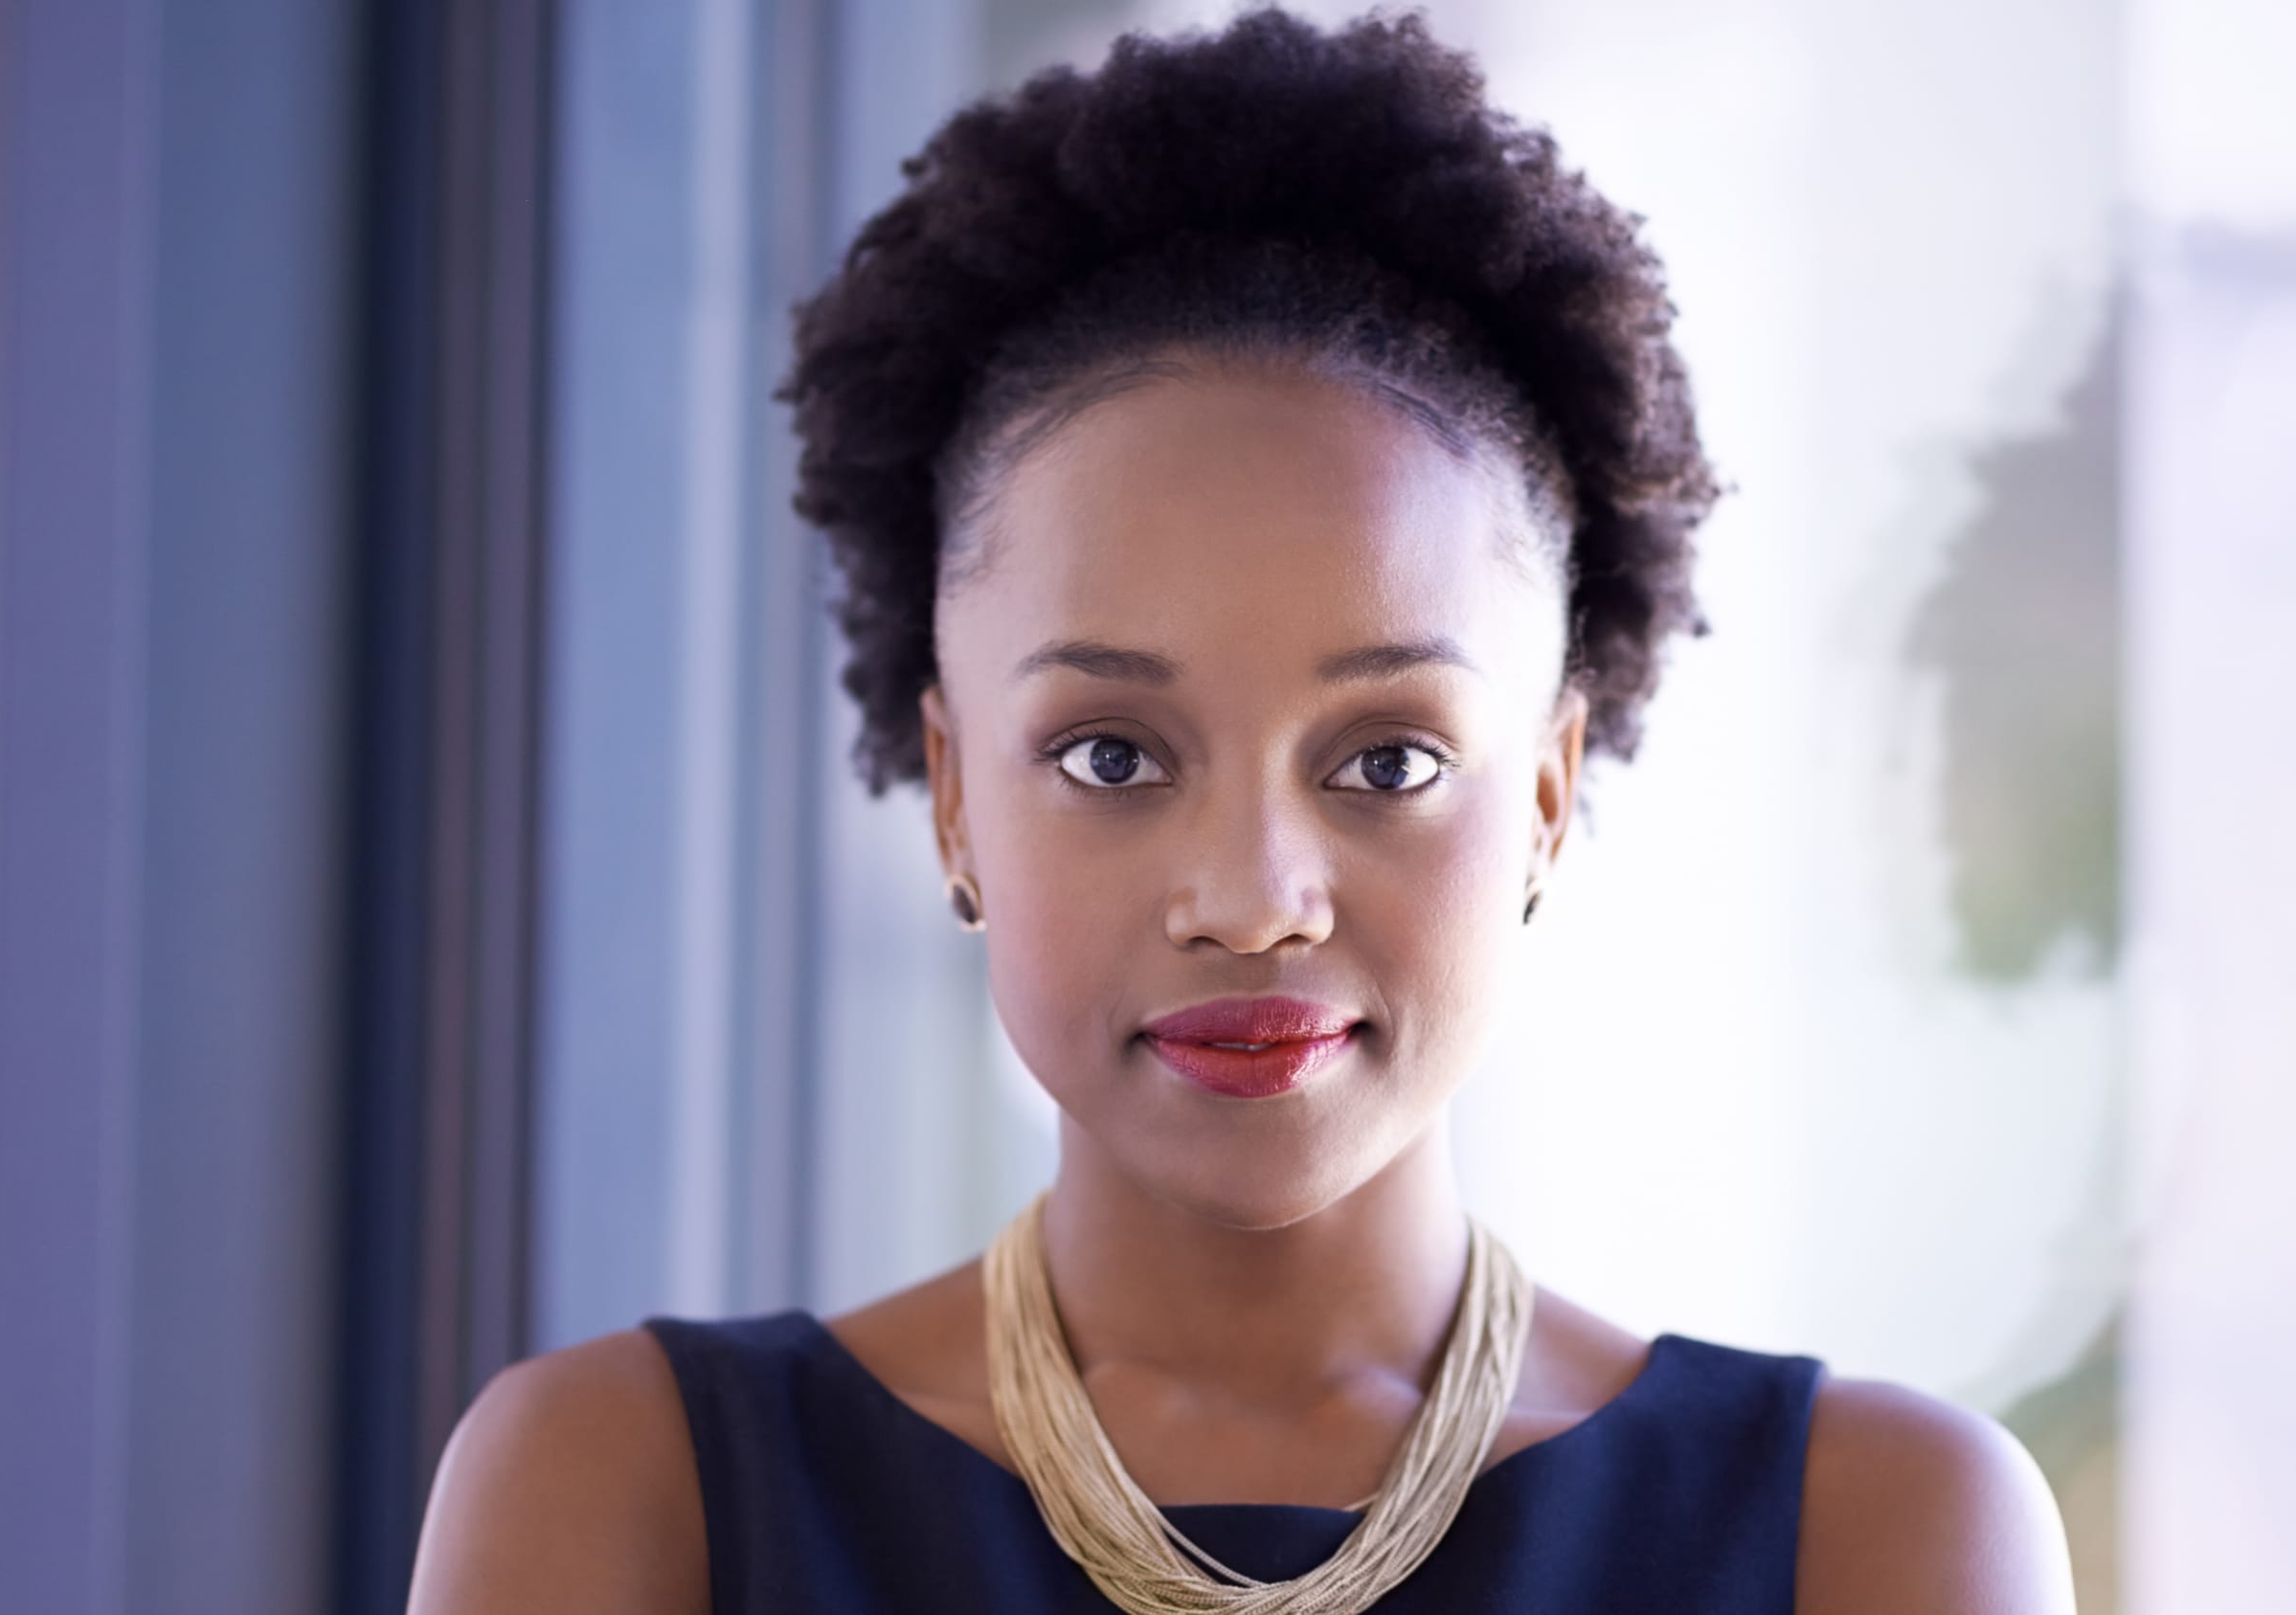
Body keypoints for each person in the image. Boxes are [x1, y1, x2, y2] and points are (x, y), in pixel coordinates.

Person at [406, 6, 2075, 1610]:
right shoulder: (630, 1494)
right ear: (955, 799)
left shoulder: (1874, 1533)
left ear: (1551, 797)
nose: (1257, 894)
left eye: (1389, 761)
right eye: (1114, 757)